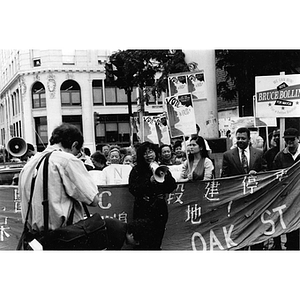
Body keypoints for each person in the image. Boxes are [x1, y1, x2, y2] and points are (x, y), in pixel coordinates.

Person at [18, 123, 103, 242]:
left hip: (33, 238)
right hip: (63, 237)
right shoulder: (66, 160)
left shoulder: (29, 164)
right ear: (74, 145)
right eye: (76, 152)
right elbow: (93, 199)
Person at [221, 127, 267, 250]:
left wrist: (257, 174)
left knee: (256, 228)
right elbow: (224, 177)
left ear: (248, 139)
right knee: (239, 229)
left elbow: (266, 171)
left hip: (255, 197)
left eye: (243, 138)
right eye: (238, 138)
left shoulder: (259, 153)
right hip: (238, 199)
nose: (240, 140)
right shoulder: (228, 155)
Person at [128, 141, 177, 250]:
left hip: (159, 208)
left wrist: (165, 176)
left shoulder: (161, 168)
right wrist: (148, 182)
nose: (148, 155)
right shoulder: (136, 170)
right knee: (143, 240)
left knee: (157, 238)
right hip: (143, 208)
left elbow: (172, 187)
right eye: (145, 153)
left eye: (151, 152)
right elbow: (133, 189)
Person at [273, 128, 300, 250]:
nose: (289, 142)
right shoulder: (280, 157)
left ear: (298, 139)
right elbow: (275, 177)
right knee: (292, 227)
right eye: (287, 140)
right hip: (289, 199)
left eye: (292, 139)